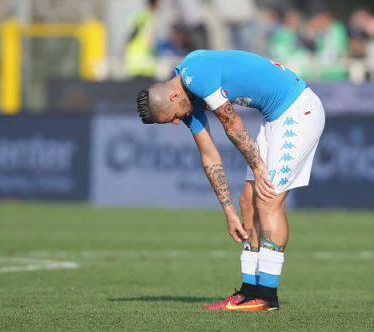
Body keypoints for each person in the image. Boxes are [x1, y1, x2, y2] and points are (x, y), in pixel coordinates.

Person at [136, 50, 325, 311]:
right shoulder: (189, 101)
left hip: (298, 111)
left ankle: (267, 296)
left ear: (173, 96)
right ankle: (248, 293)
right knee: (247, 202)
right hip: (275, 119)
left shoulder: (196, 75)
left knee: (267, 199)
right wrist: (228, 212)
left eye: (173, 118)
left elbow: (230, 121)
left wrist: (258, 166)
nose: (177, 122)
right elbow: (210, 157)